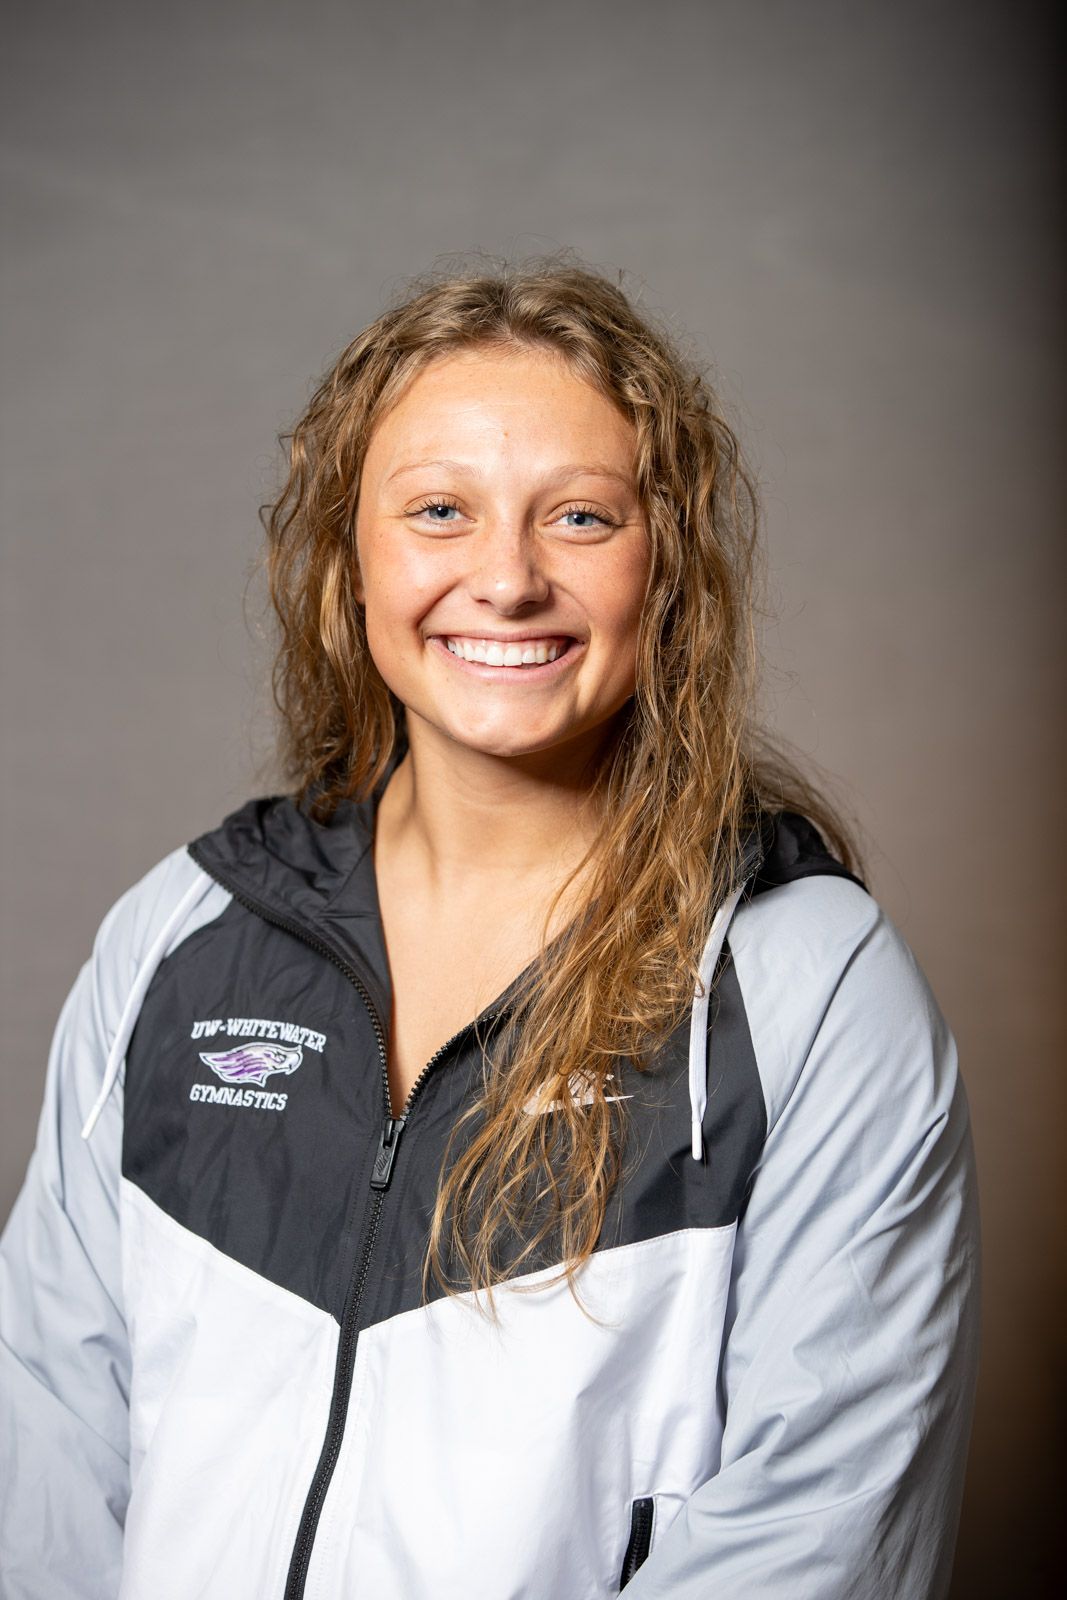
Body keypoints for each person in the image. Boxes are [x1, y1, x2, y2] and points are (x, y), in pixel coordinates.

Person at [0, 259, 979, 1599]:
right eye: (441, 511)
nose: (505, 578)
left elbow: (817, 1539)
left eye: (579, 517)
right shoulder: (181, 935)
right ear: (351, 562)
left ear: (668, 566)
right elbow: (47, 1441)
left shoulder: (808, 991)